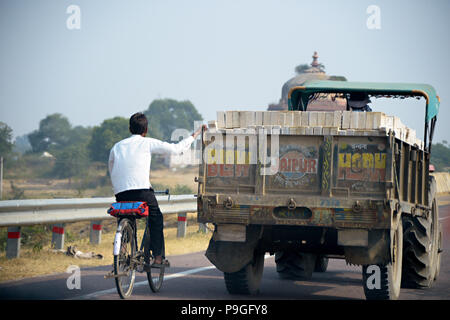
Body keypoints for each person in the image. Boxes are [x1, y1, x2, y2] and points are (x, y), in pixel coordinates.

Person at [108, 112, 206, 268]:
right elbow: (176, 149)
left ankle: (122, 248)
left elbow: (111, 168)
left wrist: (118, 189)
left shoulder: (117, 146)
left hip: (121, 193)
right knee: (156, 218)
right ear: (145, 130)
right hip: (142, 191)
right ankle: (159, 258)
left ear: (129, 128)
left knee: (126, 215)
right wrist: (195, 134)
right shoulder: (147, 143)